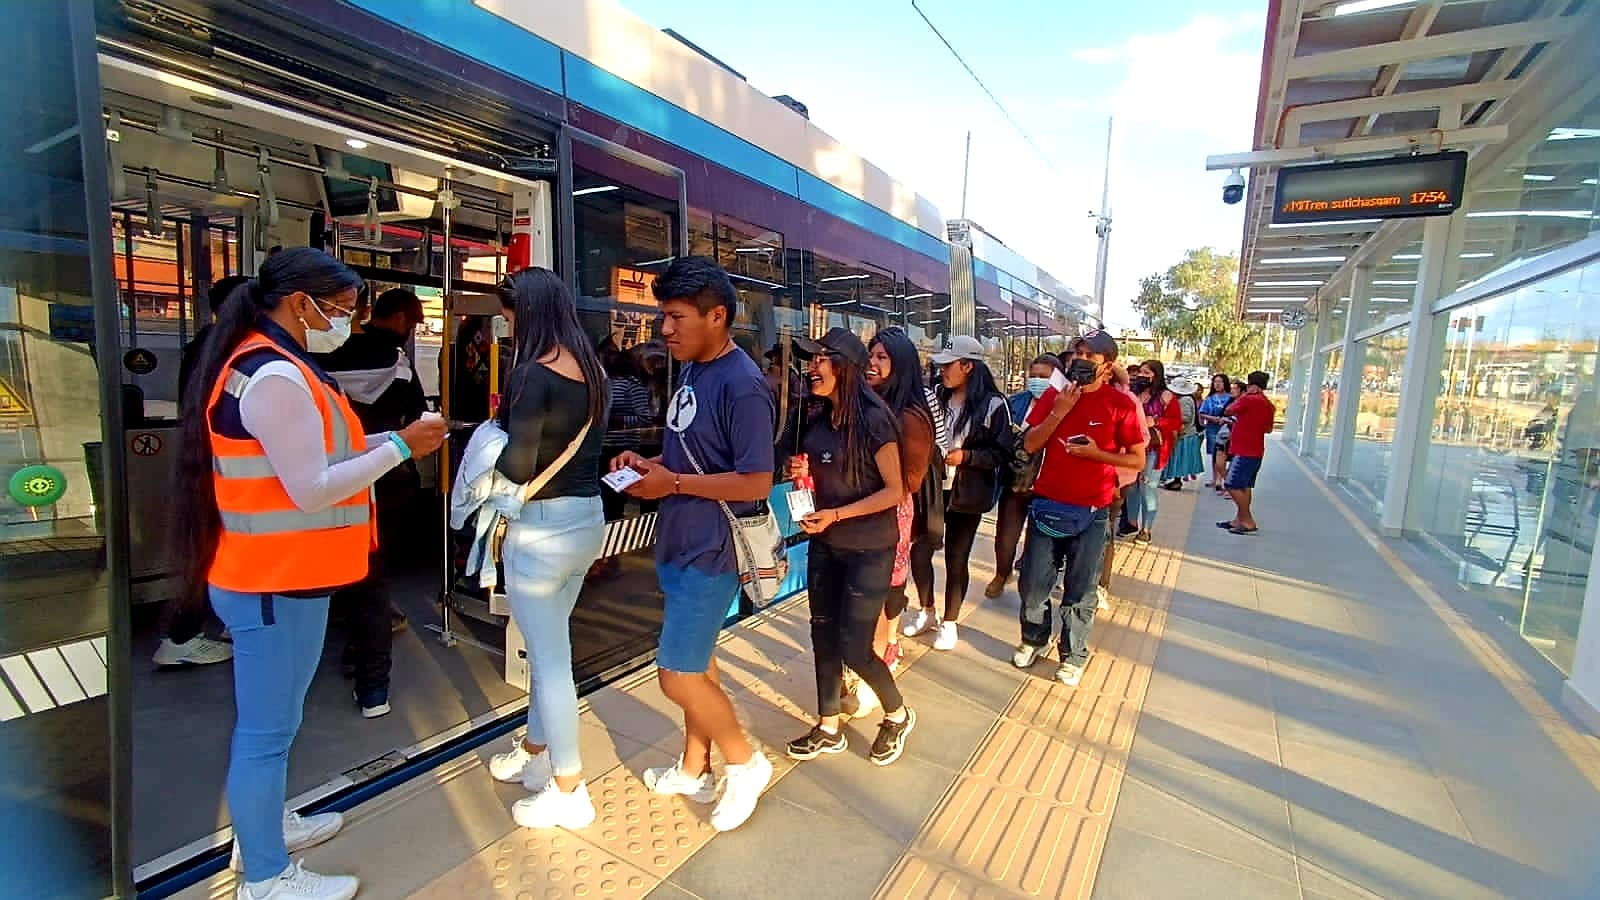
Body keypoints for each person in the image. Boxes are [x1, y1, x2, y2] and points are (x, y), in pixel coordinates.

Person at [174, 248, 447, 900]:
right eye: (343, 310)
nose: (348, 324)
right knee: (265, 734)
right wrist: (405, 447)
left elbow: (332, 456)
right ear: (302, 303)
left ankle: (267, 826)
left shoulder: (281, 367)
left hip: (289, 576)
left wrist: (399, 439)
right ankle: (265, 876)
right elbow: (314, 487)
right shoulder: (273, 377)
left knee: (279, 723)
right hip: (271, 580)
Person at [609, 256, 774, 832]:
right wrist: (649, 466)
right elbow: (691, 456)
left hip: (713, 550)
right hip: (680, 541)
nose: (665, 330)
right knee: (699, 668)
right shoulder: (694, 372)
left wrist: (673, 483)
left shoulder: (744, 385)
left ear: (718, 316)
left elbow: (757, 480)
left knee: (675, 675)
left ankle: (746, 763)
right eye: (663, 317)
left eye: (676, 317)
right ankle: (695, 764)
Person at [481, 269, 610, 829]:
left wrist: (486, 443)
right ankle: (536, 757)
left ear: (528, 314)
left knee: (551, 662)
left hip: (539, 531)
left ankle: (569, 788)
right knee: (548, 644)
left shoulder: (533, 375)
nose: (508, 327)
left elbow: (518, 464)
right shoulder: (594, 371)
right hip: (585, 521)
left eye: (510, 317)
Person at [784, 327, 917, 765]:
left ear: (844, 366)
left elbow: (894, 490)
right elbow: (824, 475)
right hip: (827, 543)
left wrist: (837, 515)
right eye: (810, 359)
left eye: (819, 359)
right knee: (822, 631)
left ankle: (897, 714)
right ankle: (828, 726)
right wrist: (804, 471)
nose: (811, 367)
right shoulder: (819, 420)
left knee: (855, 644)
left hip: (869, 548)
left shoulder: (876, 421)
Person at [315, 288, 428, 717]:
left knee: (343, 566)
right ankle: (371, 681)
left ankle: (341, 629)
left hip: (335, 473)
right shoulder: (397, 362)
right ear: (399, 318)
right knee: (374, 576)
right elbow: (416, 417)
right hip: (388, 474)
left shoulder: (325, 358)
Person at [1012, 331, 1145, 685]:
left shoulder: (1121, 405)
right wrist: (1058, 413)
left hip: (1094, 509)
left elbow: (1137, 458)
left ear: (1108, 365)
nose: (1080, 360)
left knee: (1080, 588)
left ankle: (1073, 655)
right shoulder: (1056, 396)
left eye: (1090, 355)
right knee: (1033, 584)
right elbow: (1030, 442)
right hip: (1047, 503)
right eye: (1077, 353)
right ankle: (1033, 639)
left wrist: (1095, 454)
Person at [156, 273, 254, 668]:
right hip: (223, 465)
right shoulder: (233, 352)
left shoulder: (201, 344)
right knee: (212, 547)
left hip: (201, 458)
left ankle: (211, 625)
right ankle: (182, 634)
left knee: (207, 545)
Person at [911, 335, 1010, 651]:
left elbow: (1002, 453)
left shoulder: (994, 405)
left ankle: (950, 622)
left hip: (968, 494)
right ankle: (927, 609)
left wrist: (966, 457)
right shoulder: (935, 396)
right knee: (920, 551)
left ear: (969, 366)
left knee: (956, 557)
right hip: (932, 489)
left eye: (948, 365)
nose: (942, 372)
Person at [864, 328, 937, 676]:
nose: (872, 364)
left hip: (889, 513)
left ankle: (881, 658)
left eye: (882, 358)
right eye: (871, 356)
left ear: (901, 365)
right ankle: (882, 649)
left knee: (881, 590)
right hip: (868, 509)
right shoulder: (874, 403)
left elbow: (910, 481)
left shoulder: (910, 417)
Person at [988, 355, 1065, 599]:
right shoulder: (1016, 402)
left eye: (1044, 376)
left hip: (1048, 485)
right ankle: (1002, 573)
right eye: (1034, 376)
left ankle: (1030, 586)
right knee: (1006, 535)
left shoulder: (1066, 404)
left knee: (1038, 540)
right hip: (1016, 480)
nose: (1037, 381)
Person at [1097, 363, 1148, 609]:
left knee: (1104, 531)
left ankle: (1100, 585)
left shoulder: (1126, 402)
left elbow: (1140, 442)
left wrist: (1117, 477)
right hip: (1076, 481)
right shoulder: (1071, 394)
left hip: (1114, 480)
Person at [1122, 359, 1182, 544]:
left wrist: (1156, 421)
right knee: (1131, 486)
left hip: (1154, 450)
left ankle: (1146, 530)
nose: (1142, 376)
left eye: (1147, 372)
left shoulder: (1166, 397)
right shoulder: (1133, 394)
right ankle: (1131, 522)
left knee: (1148, 488)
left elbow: (1177, 423)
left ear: (1156, 375)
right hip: (1132, 447)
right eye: (1140, 372)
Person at [1220, 371, 1276, 535]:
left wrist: (1242, 398)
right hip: (1256, 449)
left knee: (1231, 484)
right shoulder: (1268, 404)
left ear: (1250, 383)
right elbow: (1269, 429)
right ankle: (1238, 519)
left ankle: (1247, 519)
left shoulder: (1248, 400)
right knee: (1245, 485)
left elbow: (1228, 410)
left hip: (1243, 449)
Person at [1159, 376, 1205, 490]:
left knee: (1179, 458)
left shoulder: (1185, 400)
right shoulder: (1187, 399)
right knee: (1179, 458)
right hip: (1185, 433)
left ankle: (1177, 481)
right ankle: (1176, 480)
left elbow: (1185, 417)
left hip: (1185, 434)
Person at [1198, 374, 1234, 492]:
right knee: (1215, 454)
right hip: (1212, 429)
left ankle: (1223, 478)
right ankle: (1215, 479)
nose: (1217, 384)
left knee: (1225, 454)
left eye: (1220, 382)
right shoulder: (1210, 398)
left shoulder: (1231, 398)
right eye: (1215, 382)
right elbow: (1202, 413)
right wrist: (1213, 419)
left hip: (1227, 430)